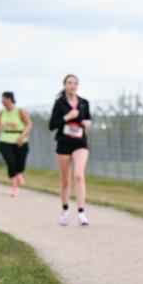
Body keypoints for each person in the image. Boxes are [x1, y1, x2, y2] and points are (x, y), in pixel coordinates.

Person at [48, 75, 91, 226]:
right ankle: (65, 210)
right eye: (69, 83)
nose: (72, 85)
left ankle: (81, 212)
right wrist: (67, 117)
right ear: (65, 85)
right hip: (64, 143)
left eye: (75, 83)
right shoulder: (59, 103)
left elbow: (88, 119)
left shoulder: (84, 103)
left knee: (78, 175)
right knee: (65, 180)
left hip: (80, 142)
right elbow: (52, 125)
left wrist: (87, 122)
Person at [0, 91, 32, 196]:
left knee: (20, 164)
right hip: (5, 140)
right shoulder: (1, 112)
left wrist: (22, 136)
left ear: (10, 99)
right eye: (2, 100)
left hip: (20, 141)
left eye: (4, 99)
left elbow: (29, 124)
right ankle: (14, 188)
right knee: (11, 163)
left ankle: (19, 173)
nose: (2, 102)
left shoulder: (20, 111)